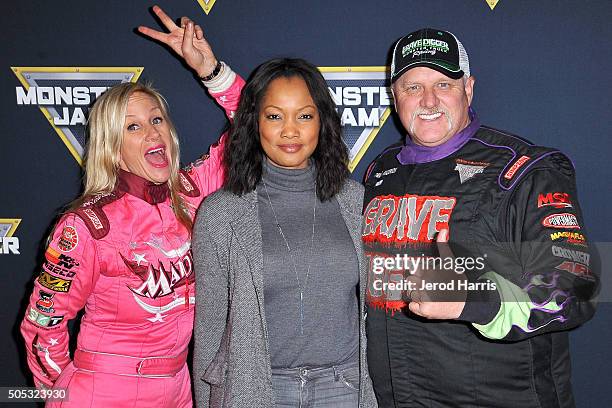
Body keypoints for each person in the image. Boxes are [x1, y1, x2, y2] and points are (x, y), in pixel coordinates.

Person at [20, 6, 244, 407]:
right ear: (112, 146)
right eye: (133, 126)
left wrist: (211, 70)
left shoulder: (193, 189)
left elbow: (255, 129)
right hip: (104, 389)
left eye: (156, 119)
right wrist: (63, 398)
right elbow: (42, 325)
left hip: (179, 386)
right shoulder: (87, 226)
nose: (151, 131)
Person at [362, 28, 599, 407]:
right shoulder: (379, 172)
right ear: (394, 96)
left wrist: (474, 296)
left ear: (468, 89)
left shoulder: (524, 170)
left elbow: (575, 287)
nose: (428, 100)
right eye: (412, 87)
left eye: (443, 83)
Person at [192, 58, 378, 407]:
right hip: (257, 388)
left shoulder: (357, 202)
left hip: (343, 387)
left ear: (323, 122)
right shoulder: (221, 213)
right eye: (275, 116)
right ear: (254, 123)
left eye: (304, 116)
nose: (289, 131)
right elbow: (210, 328)